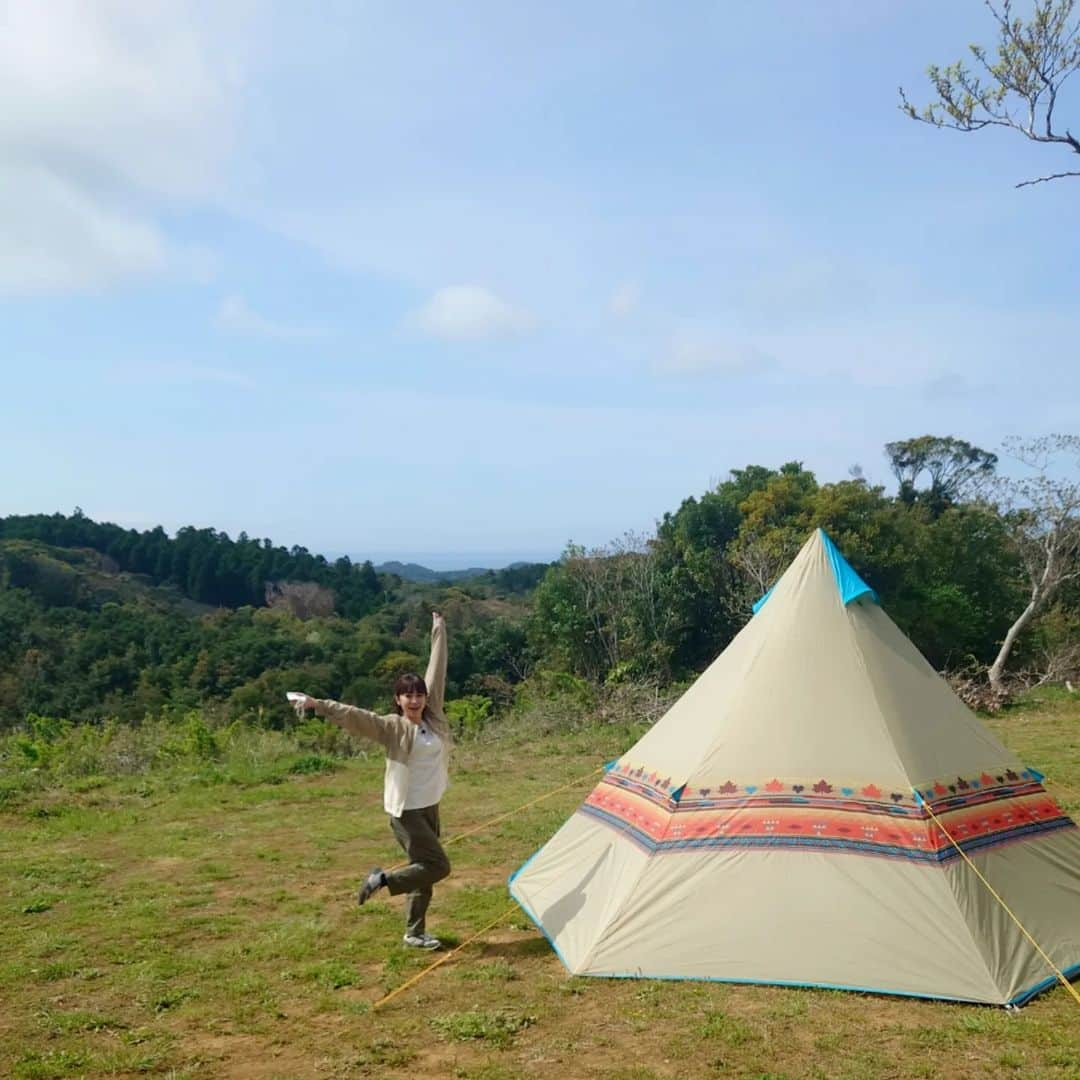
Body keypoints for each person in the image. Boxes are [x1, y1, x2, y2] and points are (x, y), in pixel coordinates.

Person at [293, 610, 452, 950]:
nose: (415, 699)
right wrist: (316, 704)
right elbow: (353, 715)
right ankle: (381, 880)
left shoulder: (433, 715)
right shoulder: (391, 727)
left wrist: (439, 630)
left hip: (430, 806)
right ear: (398, 700)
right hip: (406, 810)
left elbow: (436, 672)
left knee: (423, 870)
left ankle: (414, 933)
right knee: (437, 866)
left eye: (418, 694)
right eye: (407, 695)